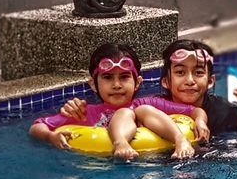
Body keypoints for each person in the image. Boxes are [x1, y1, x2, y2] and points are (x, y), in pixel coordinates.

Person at [58, 37, 237, 140]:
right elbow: (113, 113)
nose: (189, 80)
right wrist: (76, 110)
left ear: (211, 80)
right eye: (180, 73)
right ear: (165, 81)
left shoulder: (225, 112)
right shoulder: (153, 105)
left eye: (198, 73)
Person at [29, 42, 202, 161]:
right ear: (93, 85)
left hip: (159, 162)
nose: (117, 85)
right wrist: (50, 136)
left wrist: (200, 121)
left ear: (138, 83)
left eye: (125, 77)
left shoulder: (148, 104)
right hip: (106, 168)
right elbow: (37, 126)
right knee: (125, 113)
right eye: (107, 77)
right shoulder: (84, 112)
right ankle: (120, 142)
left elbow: (193, 111)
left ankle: (180, 139)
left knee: (139, 110)